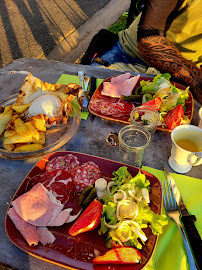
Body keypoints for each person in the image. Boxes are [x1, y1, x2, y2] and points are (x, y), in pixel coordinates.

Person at [91, 0, 202, 104]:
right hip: (131, 59)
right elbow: (148, 36)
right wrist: (196, 79)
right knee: (90, 108)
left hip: (184, 76)